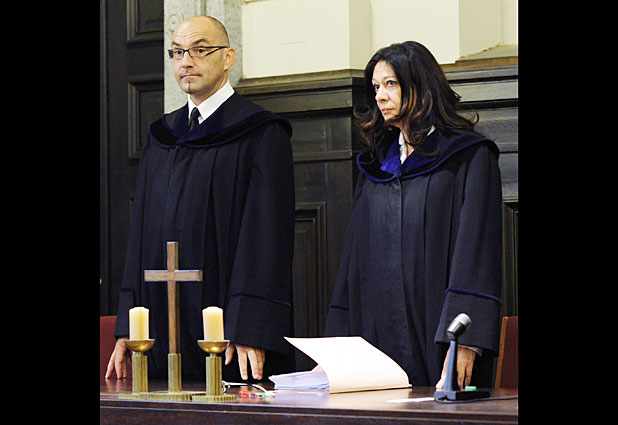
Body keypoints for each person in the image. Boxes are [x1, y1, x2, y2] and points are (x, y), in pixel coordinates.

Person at [105, 15, 295, 383]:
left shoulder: (260, 133)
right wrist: (130, 324)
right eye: (177, 52)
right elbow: (140, 235)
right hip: (160, 332)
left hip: (231, 337)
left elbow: (266, 239)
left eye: (199, 50)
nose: (186, 62)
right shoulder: (162, 136)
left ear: (228, 57)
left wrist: (251, 327)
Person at [323, 41, 503, 390]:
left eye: (390, 84)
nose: (380, 96)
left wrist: (466, 339)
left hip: (440, 332)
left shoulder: (467, 157)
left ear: (420, 87)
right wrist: (336, 349)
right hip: (377, 334)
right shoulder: (377, 168)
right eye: (376, 87)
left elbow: (477, 253)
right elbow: (351, 265)